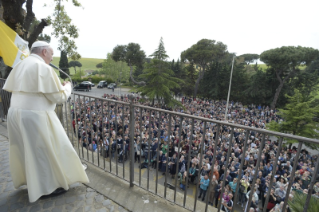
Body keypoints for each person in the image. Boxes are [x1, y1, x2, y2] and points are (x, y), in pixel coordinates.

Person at [3, 41, 89, 203]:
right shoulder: (43, 68)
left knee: (26, 150)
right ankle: (46, 187)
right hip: (34, 116)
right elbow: (59, 97)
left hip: (15, 113)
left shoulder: (21, 64)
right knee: (43, 152)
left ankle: (33, 182)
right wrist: (68, 87)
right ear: (44, 52)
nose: (52, 57)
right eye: (51, 53)